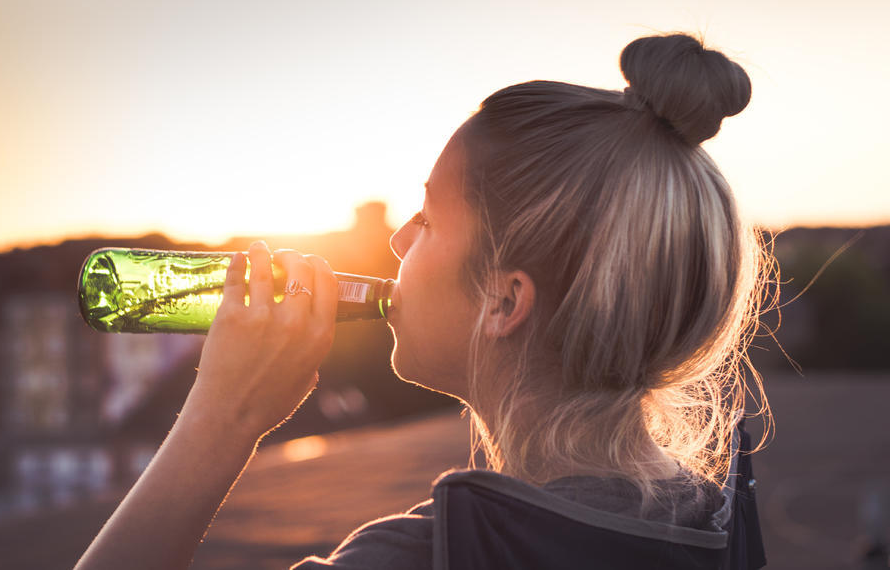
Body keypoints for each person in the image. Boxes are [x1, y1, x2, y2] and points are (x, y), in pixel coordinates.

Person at [75, 33, 772, 569]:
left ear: (504, 301)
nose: (401, 240)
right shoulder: (718, 522)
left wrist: (222, 416)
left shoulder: (422, 558)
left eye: (431, 218)